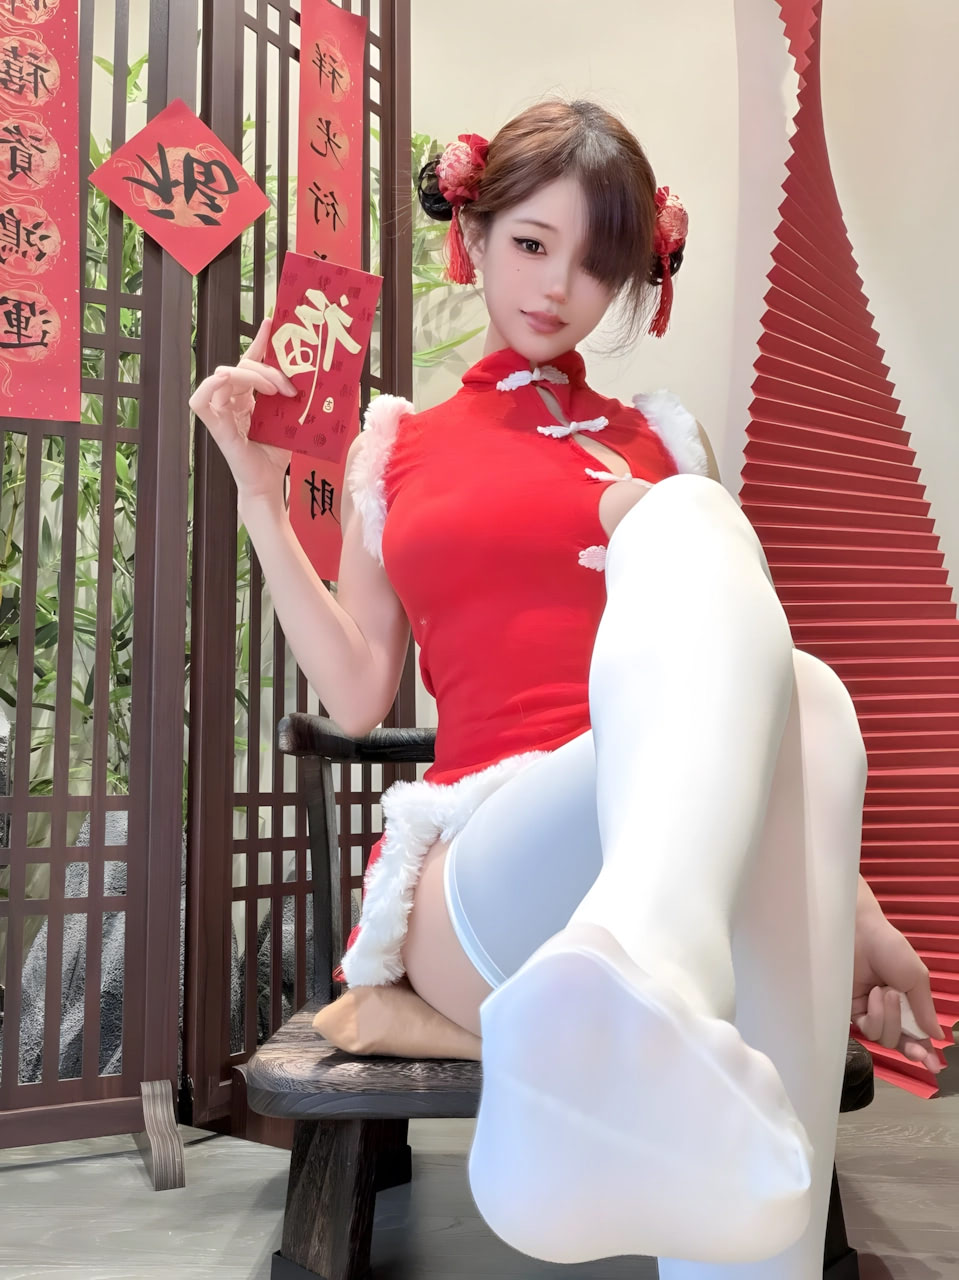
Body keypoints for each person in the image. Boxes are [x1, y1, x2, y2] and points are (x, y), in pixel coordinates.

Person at [190, 100, 944, 1277]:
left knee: (795, 678)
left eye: (594, 265)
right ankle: (661, 961)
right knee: (709, 551)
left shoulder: (662, 439)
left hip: (659, 836)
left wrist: (854, 905)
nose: (555, 288)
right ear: (472, 234)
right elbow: (357, 690)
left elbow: (751, 709)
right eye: (531, 243)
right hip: (485, 863)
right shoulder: (399, 444)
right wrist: (258, 496)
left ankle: (648, 973)